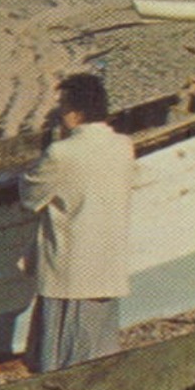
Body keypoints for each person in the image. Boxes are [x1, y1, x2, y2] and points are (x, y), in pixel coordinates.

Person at [19, 72, 136, 372]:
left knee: (59, 359)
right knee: (97, 353)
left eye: (61, 106)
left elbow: (30, 196)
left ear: (73, 112)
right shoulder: (124, 146)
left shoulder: (62, 153)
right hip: (106, 266)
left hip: (69, 271)